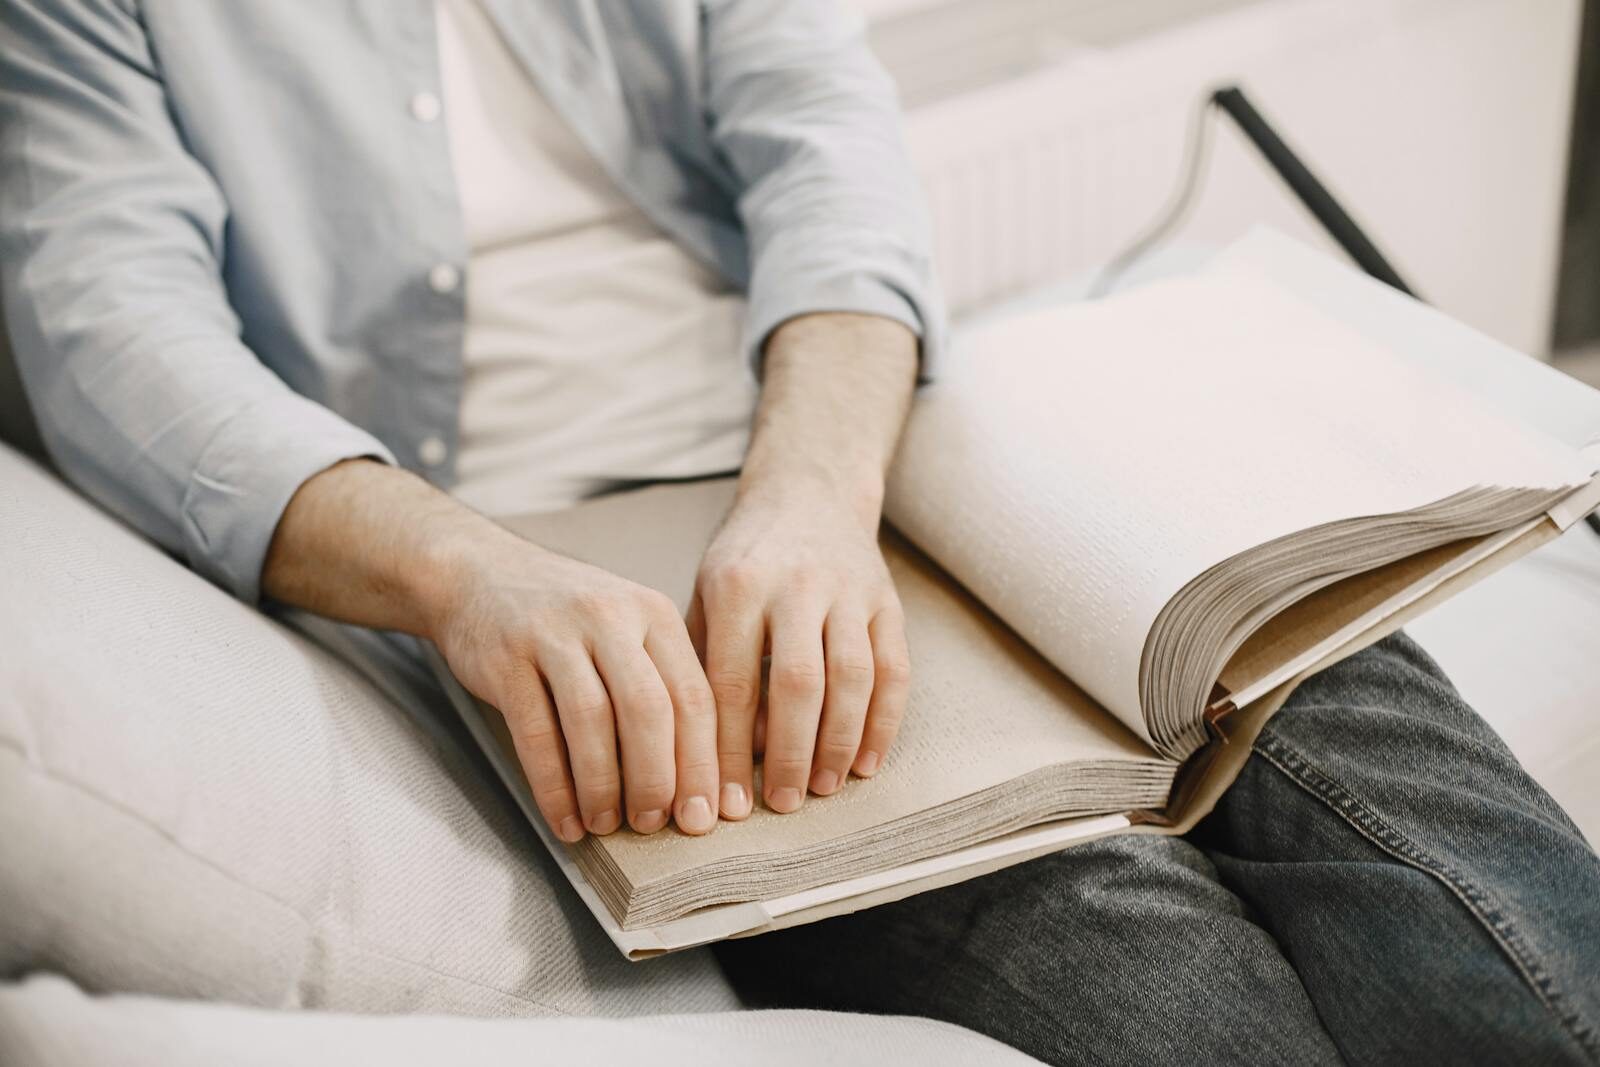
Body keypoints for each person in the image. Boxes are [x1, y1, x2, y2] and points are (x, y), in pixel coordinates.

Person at [1, 2, 1596, 1064]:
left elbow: (829, 143)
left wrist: (813, 497)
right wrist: (470, 577)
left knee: (1345, 712)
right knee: (1132, 951)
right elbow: (111, 338)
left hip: (847, 422)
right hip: (534, 530)